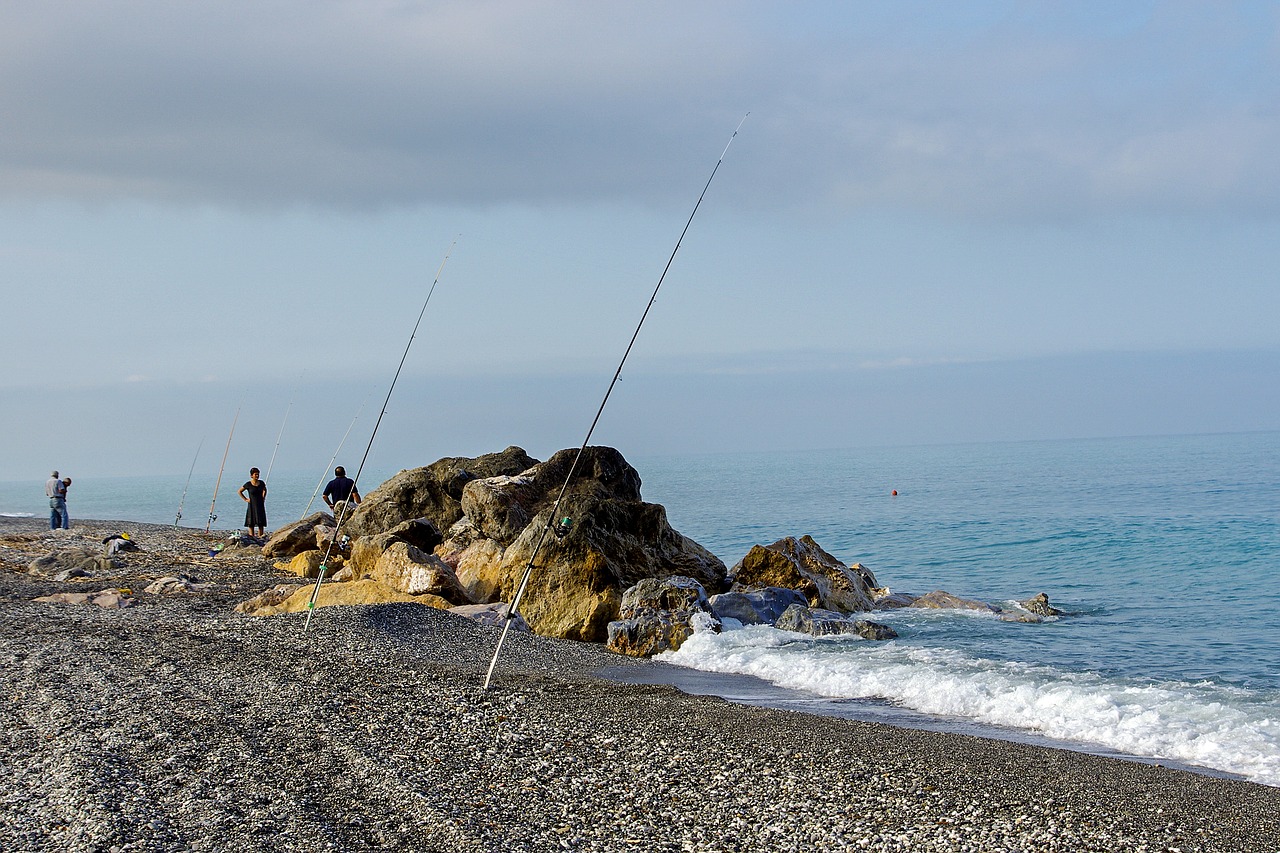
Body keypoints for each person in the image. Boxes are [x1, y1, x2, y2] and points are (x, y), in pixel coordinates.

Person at [237, 467, 267, 538]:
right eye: (255, 474)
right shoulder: (248, 484)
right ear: (251, 475)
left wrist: (263, 497)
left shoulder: (261, 483)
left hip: (260, 504)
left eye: (258, 474)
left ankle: (260, 537)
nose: (257, 476)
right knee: (251, 522)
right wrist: (245, 499)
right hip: (252, 504)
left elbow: (265, 490)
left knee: (260, 522)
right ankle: (252, 537)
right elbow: (239, 491)